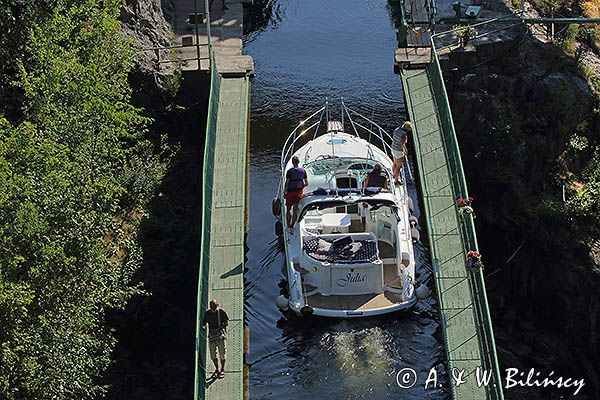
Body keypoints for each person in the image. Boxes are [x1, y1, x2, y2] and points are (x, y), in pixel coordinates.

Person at [202, 299, 229, 379]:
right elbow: (204, 322)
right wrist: (203, 326)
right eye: (211, 306)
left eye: (214, 306)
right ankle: (217, 369)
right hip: (212, 336)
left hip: (220, 336)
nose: (212, 307)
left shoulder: (221, 312)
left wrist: (219, 329)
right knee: (213, 355)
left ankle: (222, 369)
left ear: (217, 305)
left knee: (222, 354)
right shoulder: (207, 313)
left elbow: (226, 322)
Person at [284, 156, 308, 231]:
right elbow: (306, 183)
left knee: (288, 210)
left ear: (292, 162)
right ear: (299, 162)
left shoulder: (290, 171)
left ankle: (288, 225)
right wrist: (301, 188)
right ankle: (292, 225)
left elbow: (287, 183)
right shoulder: (303, 171)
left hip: (290, 192)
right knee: (295, 209)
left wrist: (285, 191)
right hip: (298, 192)